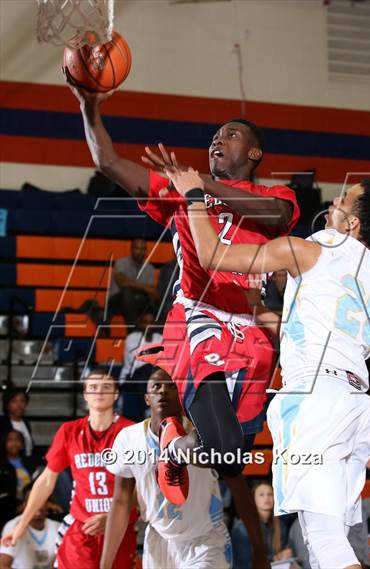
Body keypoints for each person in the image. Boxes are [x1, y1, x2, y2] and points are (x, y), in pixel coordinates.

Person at [65, 75, 299, 569]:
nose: (217, 140)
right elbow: (107, 161)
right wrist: (88, 107)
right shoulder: (180, 190)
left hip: (249, 327)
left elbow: (276, 213)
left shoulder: (273, 192)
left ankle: (184, 442)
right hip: (194, 313)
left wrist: (198, 186)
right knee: (208, 409)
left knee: (230, 454)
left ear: (254, 153)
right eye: (214, 136)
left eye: (230, 135)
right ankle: (172, 438)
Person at [164, 168, 370, 569]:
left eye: (342, 200)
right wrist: (263, 311)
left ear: (353, 222)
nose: (332, 203)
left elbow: (210, 255)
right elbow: (319, 325)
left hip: (315, 401)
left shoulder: (312, 249)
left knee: (326, 542)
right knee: (329, 543)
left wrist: (194, 193)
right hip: (353, 405)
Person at [1, 369, 138, 569]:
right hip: (81, 529)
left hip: (119, 529)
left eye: (106, 387)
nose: (99, 392)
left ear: (116, 394)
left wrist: (112, 517)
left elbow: (145, 487)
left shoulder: (131, 432)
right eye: (93, 387)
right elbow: (47, 480)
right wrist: (21, 526)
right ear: (85, 395)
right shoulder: (69, 431)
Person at [101, 366, 232, 569]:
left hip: (204, 539)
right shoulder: (129, 438)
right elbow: (120, 503)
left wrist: (259, 550)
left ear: (180, 393)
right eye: (156, 386)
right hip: (159, 540)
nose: (162, 390)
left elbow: (240, 489)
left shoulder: (202, 435)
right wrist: (105, 564)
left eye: (170, 386)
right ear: (147, 398)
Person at [231, 480, 293, 569]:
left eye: (270, 494)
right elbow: (244, 563)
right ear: (253, 499)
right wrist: (274, 558)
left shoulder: (280, 526)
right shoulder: (242, 528)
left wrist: (285, 554)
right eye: (261, 495)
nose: (266, 498)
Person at [0, 483, 59, 569]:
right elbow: (2, 565)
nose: (36, 504)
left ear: (48, 504)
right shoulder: (13, 526)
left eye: (41, 500)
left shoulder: (57, 527)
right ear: (24, 505)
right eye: (31, 500)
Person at [108, 238, 158, 326]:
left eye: (143, 249)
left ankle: (157, 333)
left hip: (139, 300)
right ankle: (133, 330)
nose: (140, 252)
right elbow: (122, 283)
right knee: (126, 292)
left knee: (156, 299)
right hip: (117, 301)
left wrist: (132, 284)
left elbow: (152, 291)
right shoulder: (121, 262)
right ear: (131, 249)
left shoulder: (149, 267)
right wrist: (144, 287)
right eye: (137, 248)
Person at [0, 388, 34, 458]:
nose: (19, 405)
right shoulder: (2, 423)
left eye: (22, 401)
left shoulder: (25, 422)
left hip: (26, 463)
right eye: (14, 401)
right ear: (7, 405)